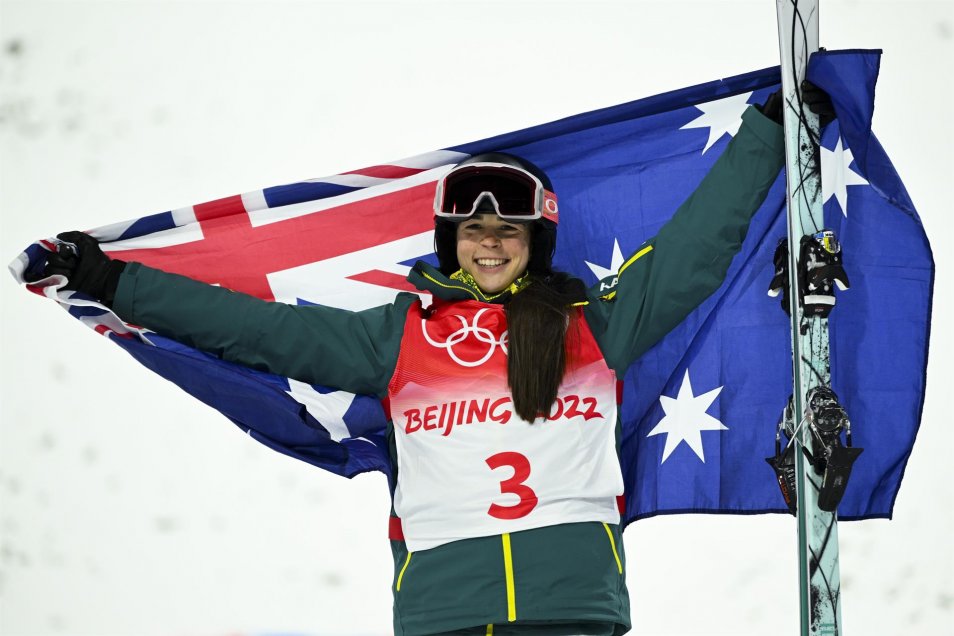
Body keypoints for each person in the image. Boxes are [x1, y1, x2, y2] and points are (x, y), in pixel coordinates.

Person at [34, 86, 830, 635]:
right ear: (451, 244)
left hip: (574, 604)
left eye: (509, 233)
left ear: (534, 244)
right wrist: (110, 279)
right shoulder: (397, 336)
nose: (490, 246)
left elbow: (693, 253)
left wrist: (767, 134)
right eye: (474, 234)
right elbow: (254, 329)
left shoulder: (595, 328)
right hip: (445, 612)